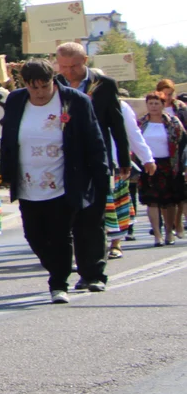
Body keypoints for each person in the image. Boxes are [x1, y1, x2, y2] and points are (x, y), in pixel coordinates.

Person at [0, 59, 108, 303]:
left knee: (60, 233)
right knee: (33, 234)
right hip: (29, 181)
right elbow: (8, 138)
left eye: (44, 86)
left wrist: (101, 176)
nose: (39, 93)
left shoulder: (74, 101)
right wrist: (5, 172)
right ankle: (58, 267)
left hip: (63, 179)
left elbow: (94, 140)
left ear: (53, 80)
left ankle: (58, 283)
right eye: (33, 87)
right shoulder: (16, 100)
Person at [54, 42, 129, 291]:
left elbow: (116, 124)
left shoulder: (104, 85)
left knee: (94, 218)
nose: (68, 72)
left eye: (73, 66)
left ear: (85, 60)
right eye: (63, 66)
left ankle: (94, 274)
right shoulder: (54, 84)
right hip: (63, 161)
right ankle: (75, 268)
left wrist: (124, 160)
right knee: (71, 218)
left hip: (96, 160)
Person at [137, 92, 185, 246]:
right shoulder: (141, 123)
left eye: (157, 103)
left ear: (163, 105)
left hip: (169, 165)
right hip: (149, 164)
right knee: (152, 201)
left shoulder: (173, 123)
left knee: (169, 201)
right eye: (150, 103)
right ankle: (157, 234)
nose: (153, 106)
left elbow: (182, 143)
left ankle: (169, 231)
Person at [113, 100, 156, 256]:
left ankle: (115, 244)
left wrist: (147, 158)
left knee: (116, 205)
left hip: (115, 163)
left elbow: (133, 133)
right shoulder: (73, 100)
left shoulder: (120, 106)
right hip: (85, 164)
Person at [155, 79, 187, 238]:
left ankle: (178, 221)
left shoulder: (180, 108)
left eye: (169, 94)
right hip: (160, 153)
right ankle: (166, 224)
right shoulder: (153, 106)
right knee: (162, 192)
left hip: (178, 154)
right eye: (164, 94)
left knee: (179, 191)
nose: (167, 97)